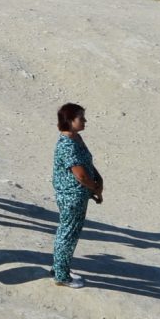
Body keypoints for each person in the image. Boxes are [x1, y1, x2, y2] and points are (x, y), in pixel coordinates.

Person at [51, 102, 104, 288]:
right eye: (81, 118)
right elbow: (80, 175)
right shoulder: (67, 145)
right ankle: (62, 275)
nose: (85, 121)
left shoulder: (76, 139)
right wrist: (95, 188)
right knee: (68, 234)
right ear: (70, 120)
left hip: (79, 195)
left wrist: (99, 180)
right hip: (71, 196)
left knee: (67, 231)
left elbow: (86, 162)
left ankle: (59, 267)